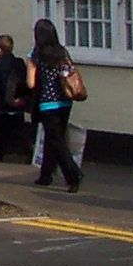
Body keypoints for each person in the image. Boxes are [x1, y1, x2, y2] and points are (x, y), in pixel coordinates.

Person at [25, 17, 82, 193]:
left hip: (47, 104)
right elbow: (69, 73)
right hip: (65, 102)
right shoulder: (62, 53)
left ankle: (73, 175)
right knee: (52, 139)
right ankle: (45, 175)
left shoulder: (35, 55)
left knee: (57, 142)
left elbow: (31, 83)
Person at [0, 35, 30, 160]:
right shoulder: (19, 63)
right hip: (17, 103)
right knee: (21, 130)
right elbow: (24, 83)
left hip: (2, 104)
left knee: (1, 132)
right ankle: (28, 153)